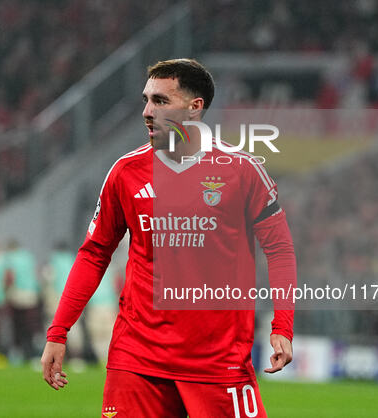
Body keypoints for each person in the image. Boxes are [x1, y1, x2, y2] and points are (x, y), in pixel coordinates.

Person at [41, 59, 296, 417]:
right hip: (137, 358)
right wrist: (58, 331)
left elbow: (280, 249)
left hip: (217, 361)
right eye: (146, 100)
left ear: (195, 108)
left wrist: (282, 324)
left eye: (160, 101)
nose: (147, 112)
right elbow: (94, 252)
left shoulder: (242, 170)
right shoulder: (126, 172)